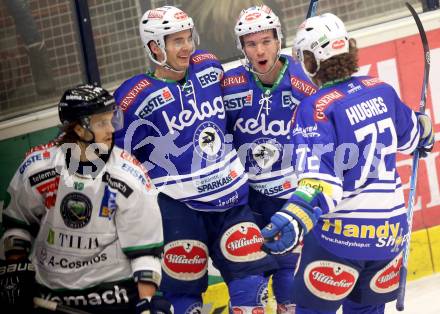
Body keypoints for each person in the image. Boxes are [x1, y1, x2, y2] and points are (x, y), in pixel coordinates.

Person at [261, 13, 435, 314]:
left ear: (311, 61)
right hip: (389, 237)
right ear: (349, 48)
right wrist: (424, 128)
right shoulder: (381, 89)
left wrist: (292, 217)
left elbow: (321, 182)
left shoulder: (314, 109)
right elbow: (417, 138)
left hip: (341, 238)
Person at [114, 5, 276, 313]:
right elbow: (120, 160)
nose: (187, 46)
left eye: (188, 38)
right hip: (179, 210)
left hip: (232, 200)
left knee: (252, 286)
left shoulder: (209, 67)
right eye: (176, 41)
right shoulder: (133, 96)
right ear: (154, 47)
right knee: (184, 299)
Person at [0, 84, 171, 314]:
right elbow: (17, 227)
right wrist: (15, 272)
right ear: (79, 129)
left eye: (112, 120)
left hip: (114, 295)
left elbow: (145, 252)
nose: (111, 129)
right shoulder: (38, 169)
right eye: (101, 123)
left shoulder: (128, 176)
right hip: (49, 295)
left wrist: (146, 304)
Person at [222, 5, 316, 313]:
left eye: (266, 41)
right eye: (251, 43)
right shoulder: (228, 85)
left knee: (291, 286)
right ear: (242, 48)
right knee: (249, 287)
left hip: (291, 195)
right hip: (245, 199)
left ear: (279, 40)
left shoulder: (304, 79)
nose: (260, 50)